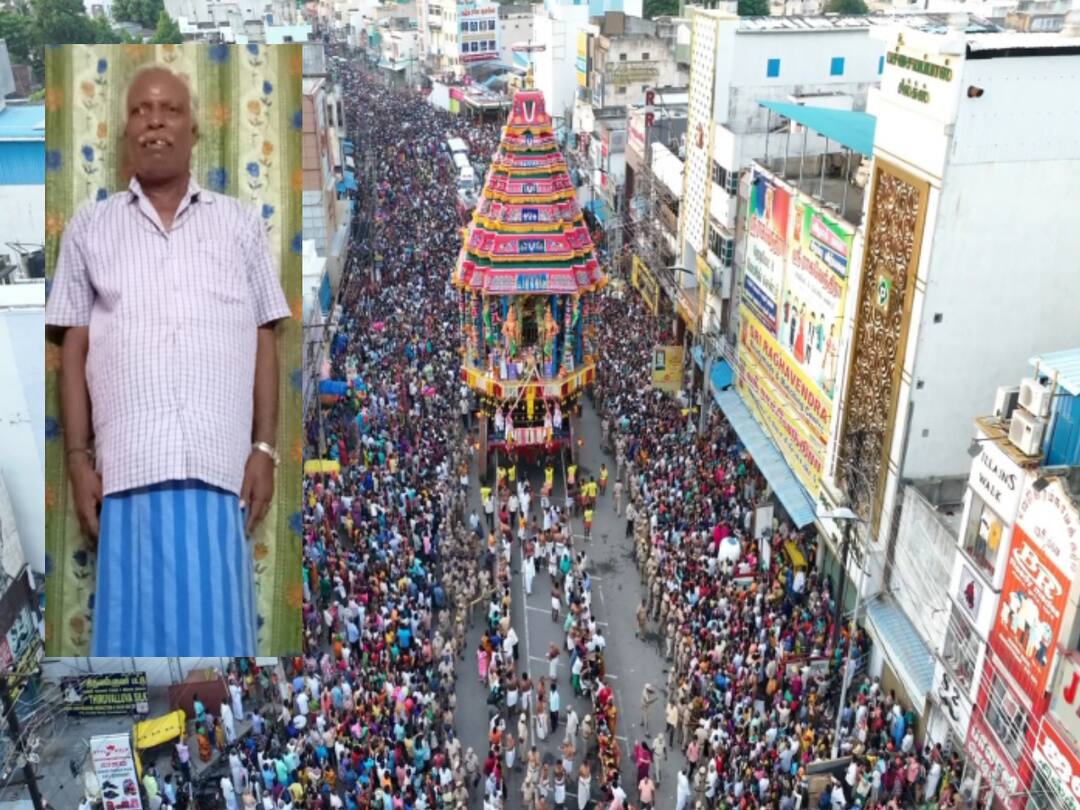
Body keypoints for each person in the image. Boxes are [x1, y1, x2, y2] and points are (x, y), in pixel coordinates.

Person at [47, 65, 289, 656]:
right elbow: (72, 342)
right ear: (126, 133)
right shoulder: (90, 228)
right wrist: (79, 461)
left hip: (218, 472)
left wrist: (263, 449)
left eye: (170, 109)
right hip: (126, 480)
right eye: (140, 110)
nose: (155, 120)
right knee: (133, 660)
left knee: (218, 649)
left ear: (194, 131)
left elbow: (265, 335)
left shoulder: (239, 226)